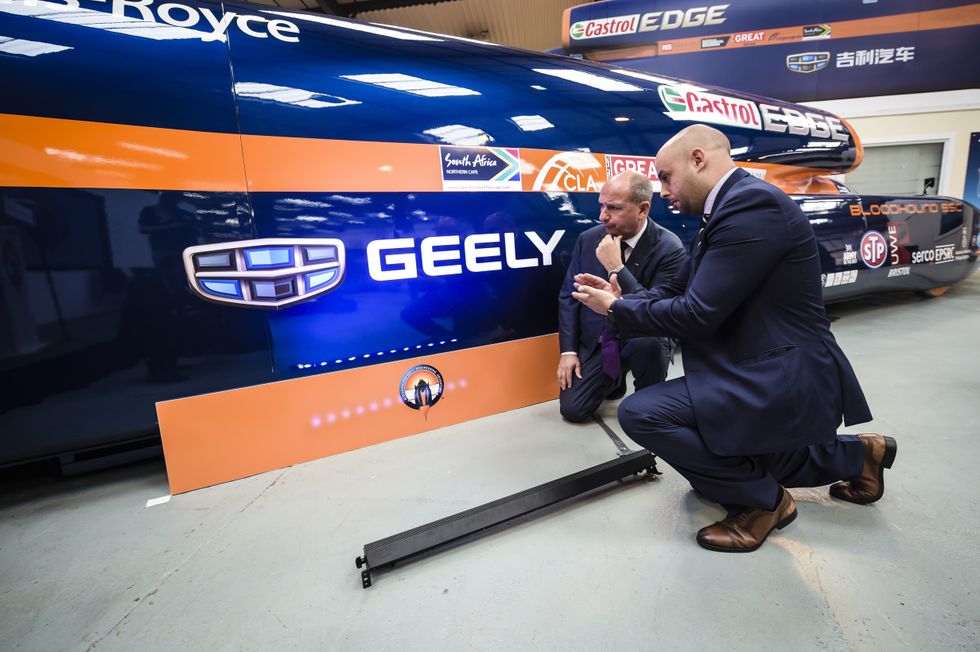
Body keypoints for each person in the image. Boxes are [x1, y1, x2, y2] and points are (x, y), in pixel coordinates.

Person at [572, 125, 896, 553]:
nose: (663, 190)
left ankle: (764, 502)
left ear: (698, 159)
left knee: (642, 413)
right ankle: (860, 456)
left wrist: (614, 309)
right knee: (750, 456)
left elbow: (696, 313)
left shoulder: (751, 206)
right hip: (751, 363)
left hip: (777, 371)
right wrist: (621, 296)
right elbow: (678, 291)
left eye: (667, 176)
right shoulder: (725, 209)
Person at [557, 170, 687, 422]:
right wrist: (568, 352)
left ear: (643, 209)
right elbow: (568, 296)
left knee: (649, 348)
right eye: (602, 206)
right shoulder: (588, 239)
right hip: (601, 338)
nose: (602, 216)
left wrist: (617, 268)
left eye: (613, 208)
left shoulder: (669, 248)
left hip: (643, 334)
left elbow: (657, 307)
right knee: (573, 410)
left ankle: (651, 397)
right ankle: (614, 380)